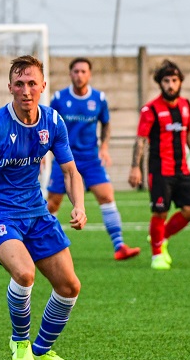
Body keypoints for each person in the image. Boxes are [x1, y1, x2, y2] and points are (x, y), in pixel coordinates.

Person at [0, 55, 87, 360]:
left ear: (43, 86)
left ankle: (42, 349)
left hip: (37, 212)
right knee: (25, 273)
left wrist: (78, 205)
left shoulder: (53, 122)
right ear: (10, 87)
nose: (26, 90)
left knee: (70, 286)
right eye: (19, 84)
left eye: (32, 83)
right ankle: (20, 341)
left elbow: (70, 172)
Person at [48, 58, 141, 261]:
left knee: (107, 196)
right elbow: (48, 126)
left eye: (83, 71)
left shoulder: (99, 98)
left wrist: (105, 147)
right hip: (65, 159)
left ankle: (119, 246)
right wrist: (44, 154)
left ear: (89, 74)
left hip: (90, 158)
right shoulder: (59, 98)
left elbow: (106, 124)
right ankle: (46, 246)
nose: (79, 75)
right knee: (53, 204)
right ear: (70, 74)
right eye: (75, 71)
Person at [128, 59, 190, 270]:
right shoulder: (150, 109)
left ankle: (161, 237)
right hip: (160, 170)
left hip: (182, 169)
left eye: (174, 80)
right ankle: (157, 256)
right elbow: (141, 139)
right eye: (166, 81)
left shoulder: (186, 106)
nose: (170, 85)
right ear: (159, 83)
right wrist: (135, 167)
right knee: (160, 213)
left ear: (180, 82)